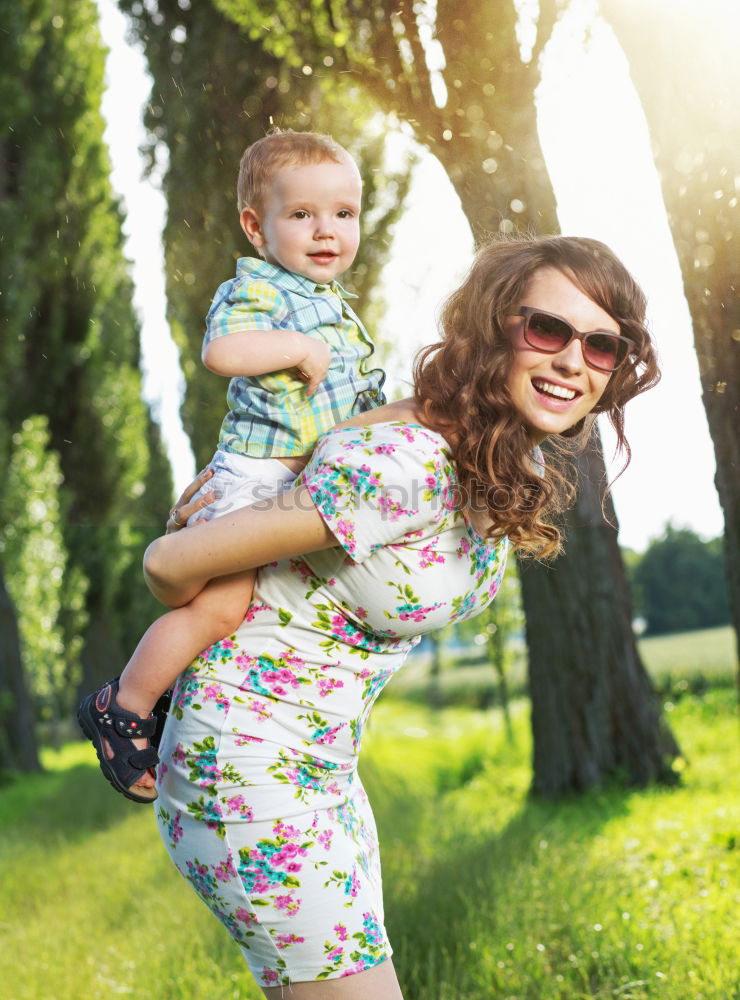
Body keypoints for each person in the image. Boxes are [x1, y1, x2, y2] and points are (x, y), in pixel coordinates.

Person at [140, 235, 659, 998]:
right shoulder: (406, 465)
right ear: (493, 328)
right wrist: (232, 506)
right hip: (246, 764)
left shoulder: (490, 456)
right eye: (546, 330)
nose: (571, 361)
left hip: (322, 772)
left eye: (601, 345)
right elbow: (167, 563)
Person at [78, 129, 385, 803]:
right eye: (302, 214)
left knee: (258, 616)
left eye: (343, 213)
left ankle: (196, 709)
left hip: (294, 482)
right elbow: (221, 351)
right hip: (257, 478)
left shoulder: (327, 301)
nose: (327, 230)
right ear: (256, 226)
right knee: (220, 610)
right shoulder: (262, 290)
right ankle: (124, 706)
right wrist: (295, 345)